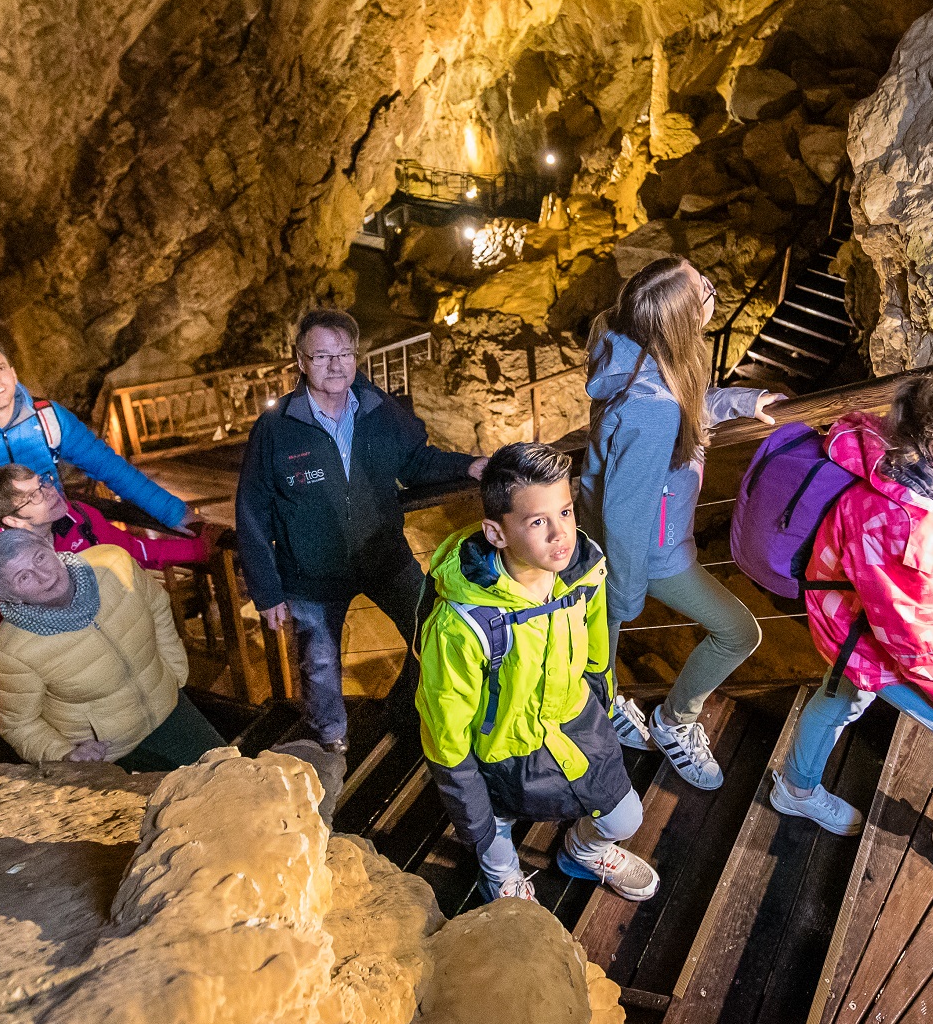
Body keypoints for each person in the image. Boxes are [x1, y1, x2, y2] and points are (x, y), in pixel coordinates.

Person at [769, 358, 933, 926]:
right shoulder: (906, 516)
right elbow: (909, 629)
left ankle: (794, 787)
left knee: (842, 696)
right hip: (861, 628)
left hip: (854, 611)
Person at [417, 443, 659, 905]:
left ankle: (583, 852)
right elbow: (445, 737)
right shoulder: (462, 626)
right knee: (495, 829)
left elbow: (596, 659)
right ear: (496, 532)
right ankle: (501, 873)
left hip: (573, 724)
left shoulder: (583, 574)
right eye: (537, 521)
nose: (561, 535)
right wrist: (477, 823)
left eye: (565, 512)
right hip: (501, 750)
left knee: (625, 819)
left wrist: (600, 711)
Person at [233, 309, 485, 753]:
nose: (336, 365)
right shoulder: (276, 430)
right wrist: (267, 589)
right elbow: (252, 509)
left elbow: (416, 461)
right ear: (301, 361)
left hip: (383, 556)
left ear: (355, 356)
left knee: (435, 629)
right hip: (312, 575)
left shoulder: (376, 409)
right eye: (323, 356)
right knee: (321, 664)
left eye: (345, 353)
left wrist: (468, 465)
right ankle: (330, 742)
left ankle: (405, 713)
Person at [579, 256, 781, 791]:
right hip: (648, 548)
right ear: (680, 320)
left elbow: (691, 405)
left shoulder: (637, 358)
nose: (715, 290)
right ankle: (672, 723)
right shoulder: (651, 407)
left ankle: (607, 704)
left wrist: (744, 399)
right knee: (737, 631)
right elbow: (626, 513)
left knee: (600, 641)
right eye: (705, 289)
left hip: (611, 532)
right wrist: (624, 589)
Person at [0, 336, 196, 578]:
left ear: (13, 373)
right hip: (1, 568)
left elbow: (110, 467)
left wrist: (171, 511)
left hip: (61, 539)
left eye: (0, 368)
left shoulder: (48, 419)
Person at [0, 526, 226, 770]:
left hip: (169, 708)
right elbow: (18, 725)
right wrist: (65, 754)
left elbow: (157, 605)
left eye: (39, 558)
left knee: (231, 775)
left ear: (50, 546)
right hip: (109, 754)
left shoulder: (113, 564)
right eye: (24, 577)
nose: (44, 576)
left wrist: (175, 669)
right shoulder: (10, 650)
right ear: (9, 598)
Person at [0, 463, 211, 699]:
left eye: (43, 482)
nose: (51, 491)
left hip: (123, 658)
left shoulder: (79, 520)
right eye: (34, 496)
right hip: (68, 692)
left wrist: (197, 550)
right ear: (12, 520)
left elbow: (129, 551)